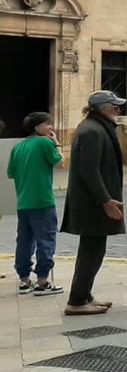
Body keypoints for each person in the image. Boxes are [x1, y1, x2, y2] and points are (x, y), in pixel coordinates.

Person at [61, 91, 126, 316]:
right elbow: (89, 170)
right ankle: (77, 300)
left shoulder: (96, 128)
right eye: (114, 107)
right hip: (93, 204)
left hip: (94, 202)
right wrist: (105, 200)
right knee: (91, 251)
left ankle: (84, 295)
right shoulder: (92, 131)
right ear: (102, 108)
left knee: (94, 249)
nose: (118, 110)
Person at [8, 112, 64, 296]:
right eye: (47, 124)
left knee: (24, 240)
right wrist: (56, 143)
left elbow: (11, 173)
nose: (51, 128)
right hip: (42, 200)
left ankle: (24, 280)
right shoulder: (45, 143)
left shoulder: (18, 147)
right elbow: (59, 162)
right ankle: (42, 280)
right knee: (46, 239)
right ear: (37, 126)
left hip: (23, 201)